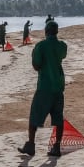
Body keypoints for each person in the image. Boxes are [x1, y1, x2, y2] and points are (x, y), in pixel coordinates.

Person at [19, 20, 67, 158]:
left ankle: (31, 145)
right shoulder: (62, 46)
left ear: (46, 31)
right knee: (58, 118)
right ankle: (56, 146)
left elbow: (36, 66)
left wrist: (34, 55)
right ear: (57, 32)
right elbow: (62, 56)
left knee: (34, 116)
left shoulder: (41, 46)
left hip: (45, 86)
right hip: (58, 86)